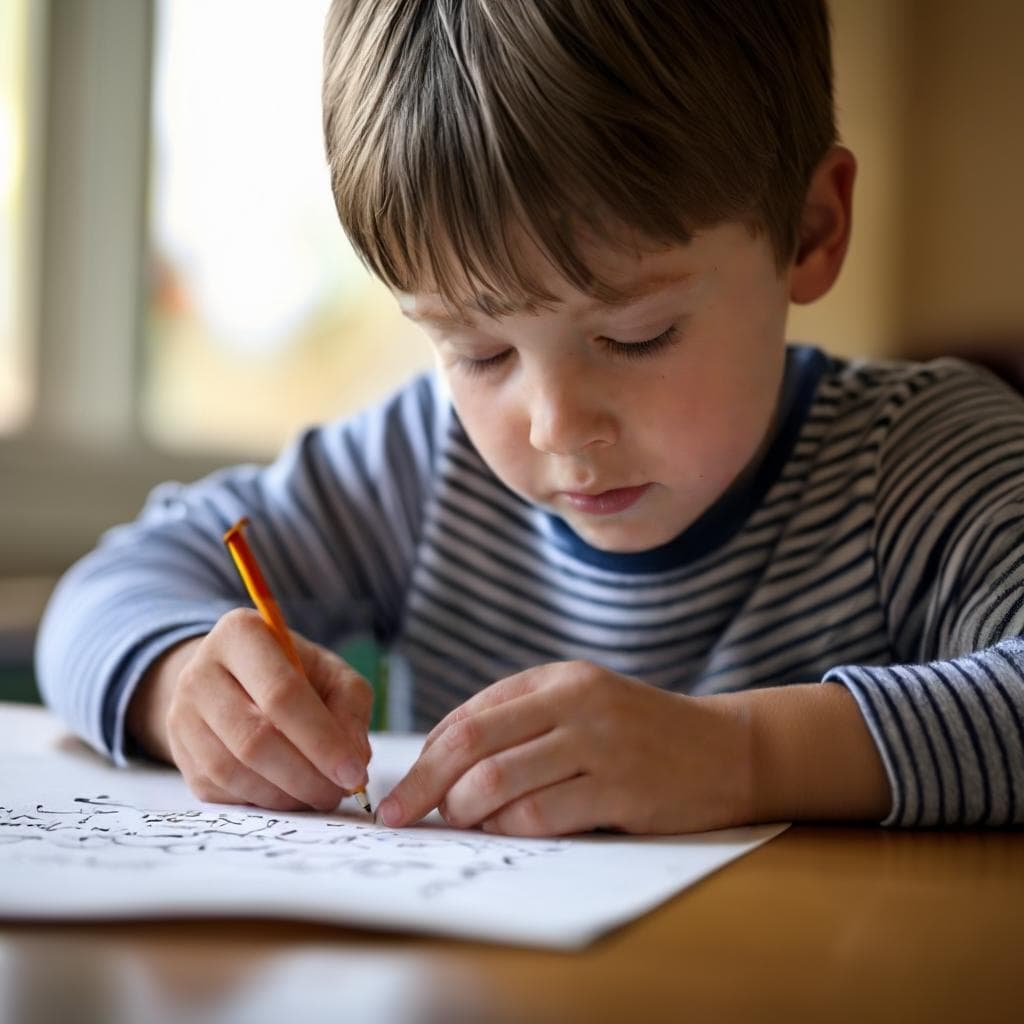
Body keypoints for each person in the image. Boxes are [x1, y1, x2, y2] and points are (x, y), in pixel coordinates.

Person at [37, 0, 1024, 834]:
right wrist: (178, 685)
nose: (555, 426)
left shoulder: (920, 466)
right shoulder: (421, 468)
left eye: (638, 335)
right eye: (479, 352)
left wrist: (740, 756)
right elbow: (108, 587)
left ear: (810, 231)